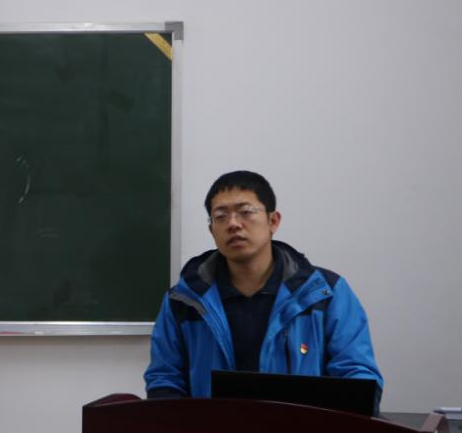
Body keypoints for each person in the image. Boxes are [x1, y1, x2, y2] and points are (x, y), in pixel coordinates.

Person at [144, 170, 382, 402]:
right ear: (211, 230)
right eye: (221, 216)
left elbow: (357, 377)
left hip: (303, 428)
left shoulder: (326, 293)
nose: (233, 224)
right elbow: (164, 380)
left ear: (273, 221)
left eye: (246, 212)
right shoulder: (184, 299)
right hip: (213, 428)